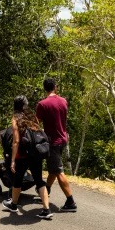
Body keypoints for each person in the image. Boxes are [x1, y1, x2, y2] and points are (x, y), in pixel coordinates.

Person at [2, 95, 53, 219]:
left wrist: (12, 160)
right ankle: (46, 210)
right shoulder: (32, 117)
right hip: (35, 153)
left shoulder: (16, 118)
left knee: (17, 181)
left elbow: (16, 141)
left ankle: (14, 205)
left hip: (22, 155)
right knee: (39, 181)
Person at [36, 78, 77, 212]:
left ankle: (70, 201)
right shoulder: (63, 101)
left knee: (58, 171)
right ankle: (46, 190)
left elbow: (36, 124)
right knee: (53, 168)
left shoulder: (42, 104)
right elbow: (62, 119)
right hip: (63, 139)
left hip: (52, 142)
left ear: (45, 88)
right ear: (55, 87)